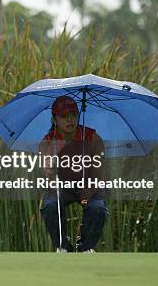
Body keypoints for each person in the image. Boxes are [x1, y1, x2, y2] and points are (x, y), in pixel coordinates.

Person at [38, 95, 108, 253]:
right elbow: (48, 174)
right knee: (50, 206)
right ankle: (63, 246)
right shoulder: (47, 141)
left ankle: (85, 247)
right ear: (55, 119)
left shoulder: (93, 138)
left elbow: (99, 171)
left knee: (97, 208)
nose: (70, 120)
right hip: (61, 186)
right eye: (64, 116)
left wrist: (89, 190)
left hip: (89, 184)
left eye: (73, 115)